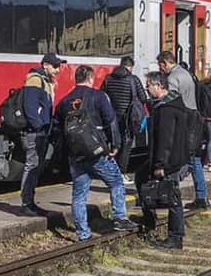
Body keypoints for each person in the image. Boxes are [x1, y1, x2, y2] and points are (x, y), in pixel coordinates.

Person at [55, 65, 135, 240]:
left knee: (78, 196)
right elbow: (111, 120)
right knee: (116, 183)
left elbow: (57, 131)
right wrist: (115, 145)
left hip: (76, 156)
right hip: (98, 153)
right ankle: (120, 217)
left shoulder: (64, 102)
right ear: (91, 78)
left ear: (75, 79)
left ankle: (83, 233)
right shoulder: (99, 97)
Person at [137, 71, 190, 249]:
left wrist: (161, 165)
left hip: (169, 161)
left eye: (148, 86)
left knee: (173, 197)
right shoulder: (172, 104)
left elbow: (165, 140)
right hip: (174, 159)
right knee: (141, 177)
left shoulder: (166, 109)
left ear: (159, 86)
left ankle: (175, 237)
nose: (147, 89)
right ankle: (151, 219)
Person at [157, 50, 207, 208]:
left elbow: (171, 99)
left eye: (161, 66)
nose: (161, 70)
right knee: (195, 160)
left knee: (182, 159)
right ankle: (201, 195)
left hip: (183, 120)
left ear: (165, 63)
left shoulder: (172, 77)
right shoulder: (186, 73)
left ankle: (173, 194)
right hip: (194, 117)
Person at [18, 52, 64, 217]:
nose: (58, 69)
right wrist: (38, 128)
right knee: (32, 165)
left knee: (36, 166)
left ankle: (30, 202)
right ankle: (26, 204)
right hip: (35, 132)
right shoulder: (35, 79)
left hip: (41, 131)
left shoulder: (45, 80)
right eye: (55, 66)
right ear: (45, 65)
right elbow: (30, 107)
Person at [100, 55, 148, 172]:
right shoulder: (133, 79)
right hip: (128, 118)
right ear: (130, 67)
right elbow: (143, 98)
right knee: (126, 146)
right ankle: (121, 172)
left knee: (114, 143)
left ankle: (111, 170)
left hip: (111, 117)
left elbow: (102, 95)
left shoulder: (108, 78)